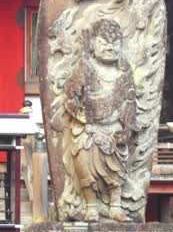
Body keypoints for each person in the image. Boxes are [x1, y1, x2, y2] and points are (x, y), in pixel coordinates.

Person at [56, 18, 136, 221]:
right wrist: (81, 116)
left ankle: (115, 207)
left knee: (115, 170)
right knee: (85, 167)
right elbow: (70, 97)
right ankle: (91, 206)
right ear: (92, 44)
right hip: (88, 129)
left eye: (115, 42)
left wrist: (127, 128)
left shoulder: (124, 72)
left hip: (113, 128)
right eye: (103, 42)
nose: (110, 47)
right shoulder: (85, 69)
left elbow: (129, 102)